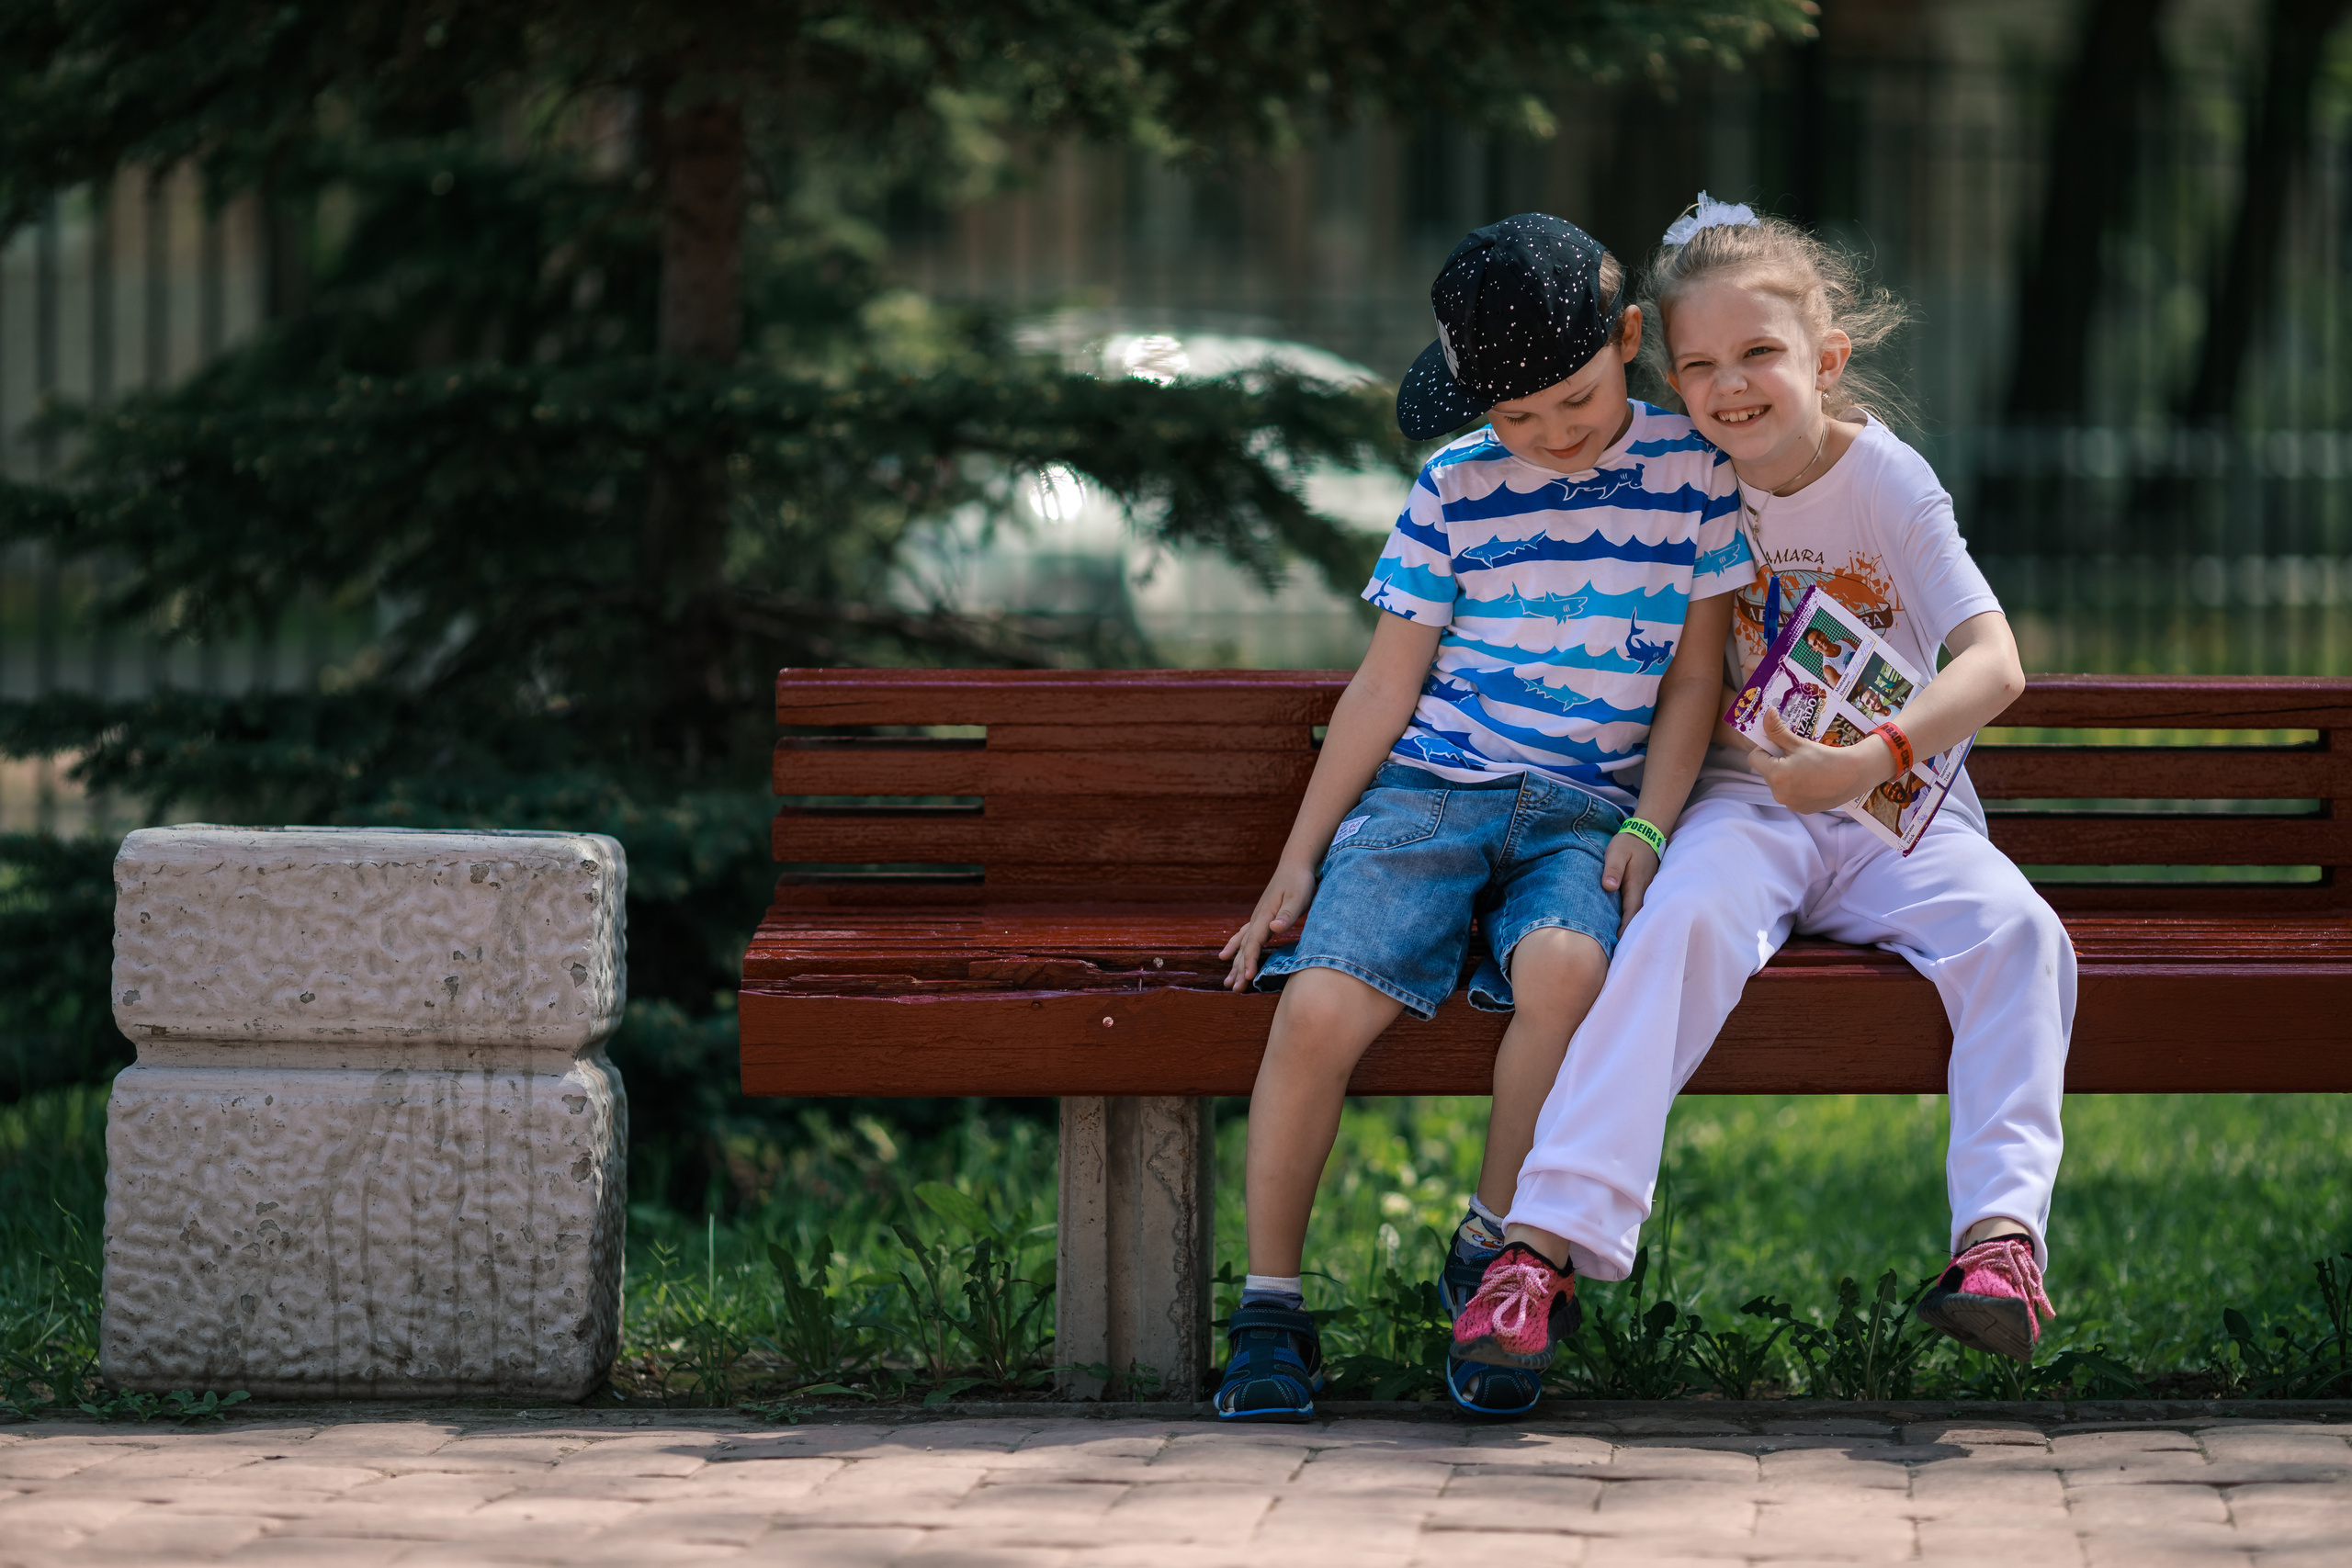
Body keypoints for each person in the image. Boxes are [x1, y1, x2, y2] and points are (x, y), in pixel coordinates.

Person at [1452, 196, 2073, 1377]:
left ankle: (1999, 1244)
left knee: (2021, 936)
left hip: (1901, 810)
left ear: (1824, 361)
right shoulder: (1685, 477)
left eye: (1759, 355)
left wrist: (1874, 756)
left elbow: (1995, 662)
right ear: (1667, 376)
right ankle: (1539, 1250)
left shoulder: (1886, 480)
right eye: (1699, 365)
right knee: (1675, 921)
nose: (1729, 386)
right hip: (1749, 804)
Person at [1213, 213, 1754, 1420]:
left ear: (1627, 341)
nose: (1553, 437)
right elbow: (1383, 685)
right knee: (1316, 1004)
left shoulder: (1695, 477)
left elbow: (1692, 682)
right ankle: (1269, 1307)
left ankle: (1502, 1251)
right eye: (1517, 418)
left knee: (1564, 967)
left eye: (1574, 400)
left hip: (1584, 812)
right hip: (1431, 795)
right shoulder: (1453, 489)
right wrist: (1298, 861)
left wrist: (1652, 826)